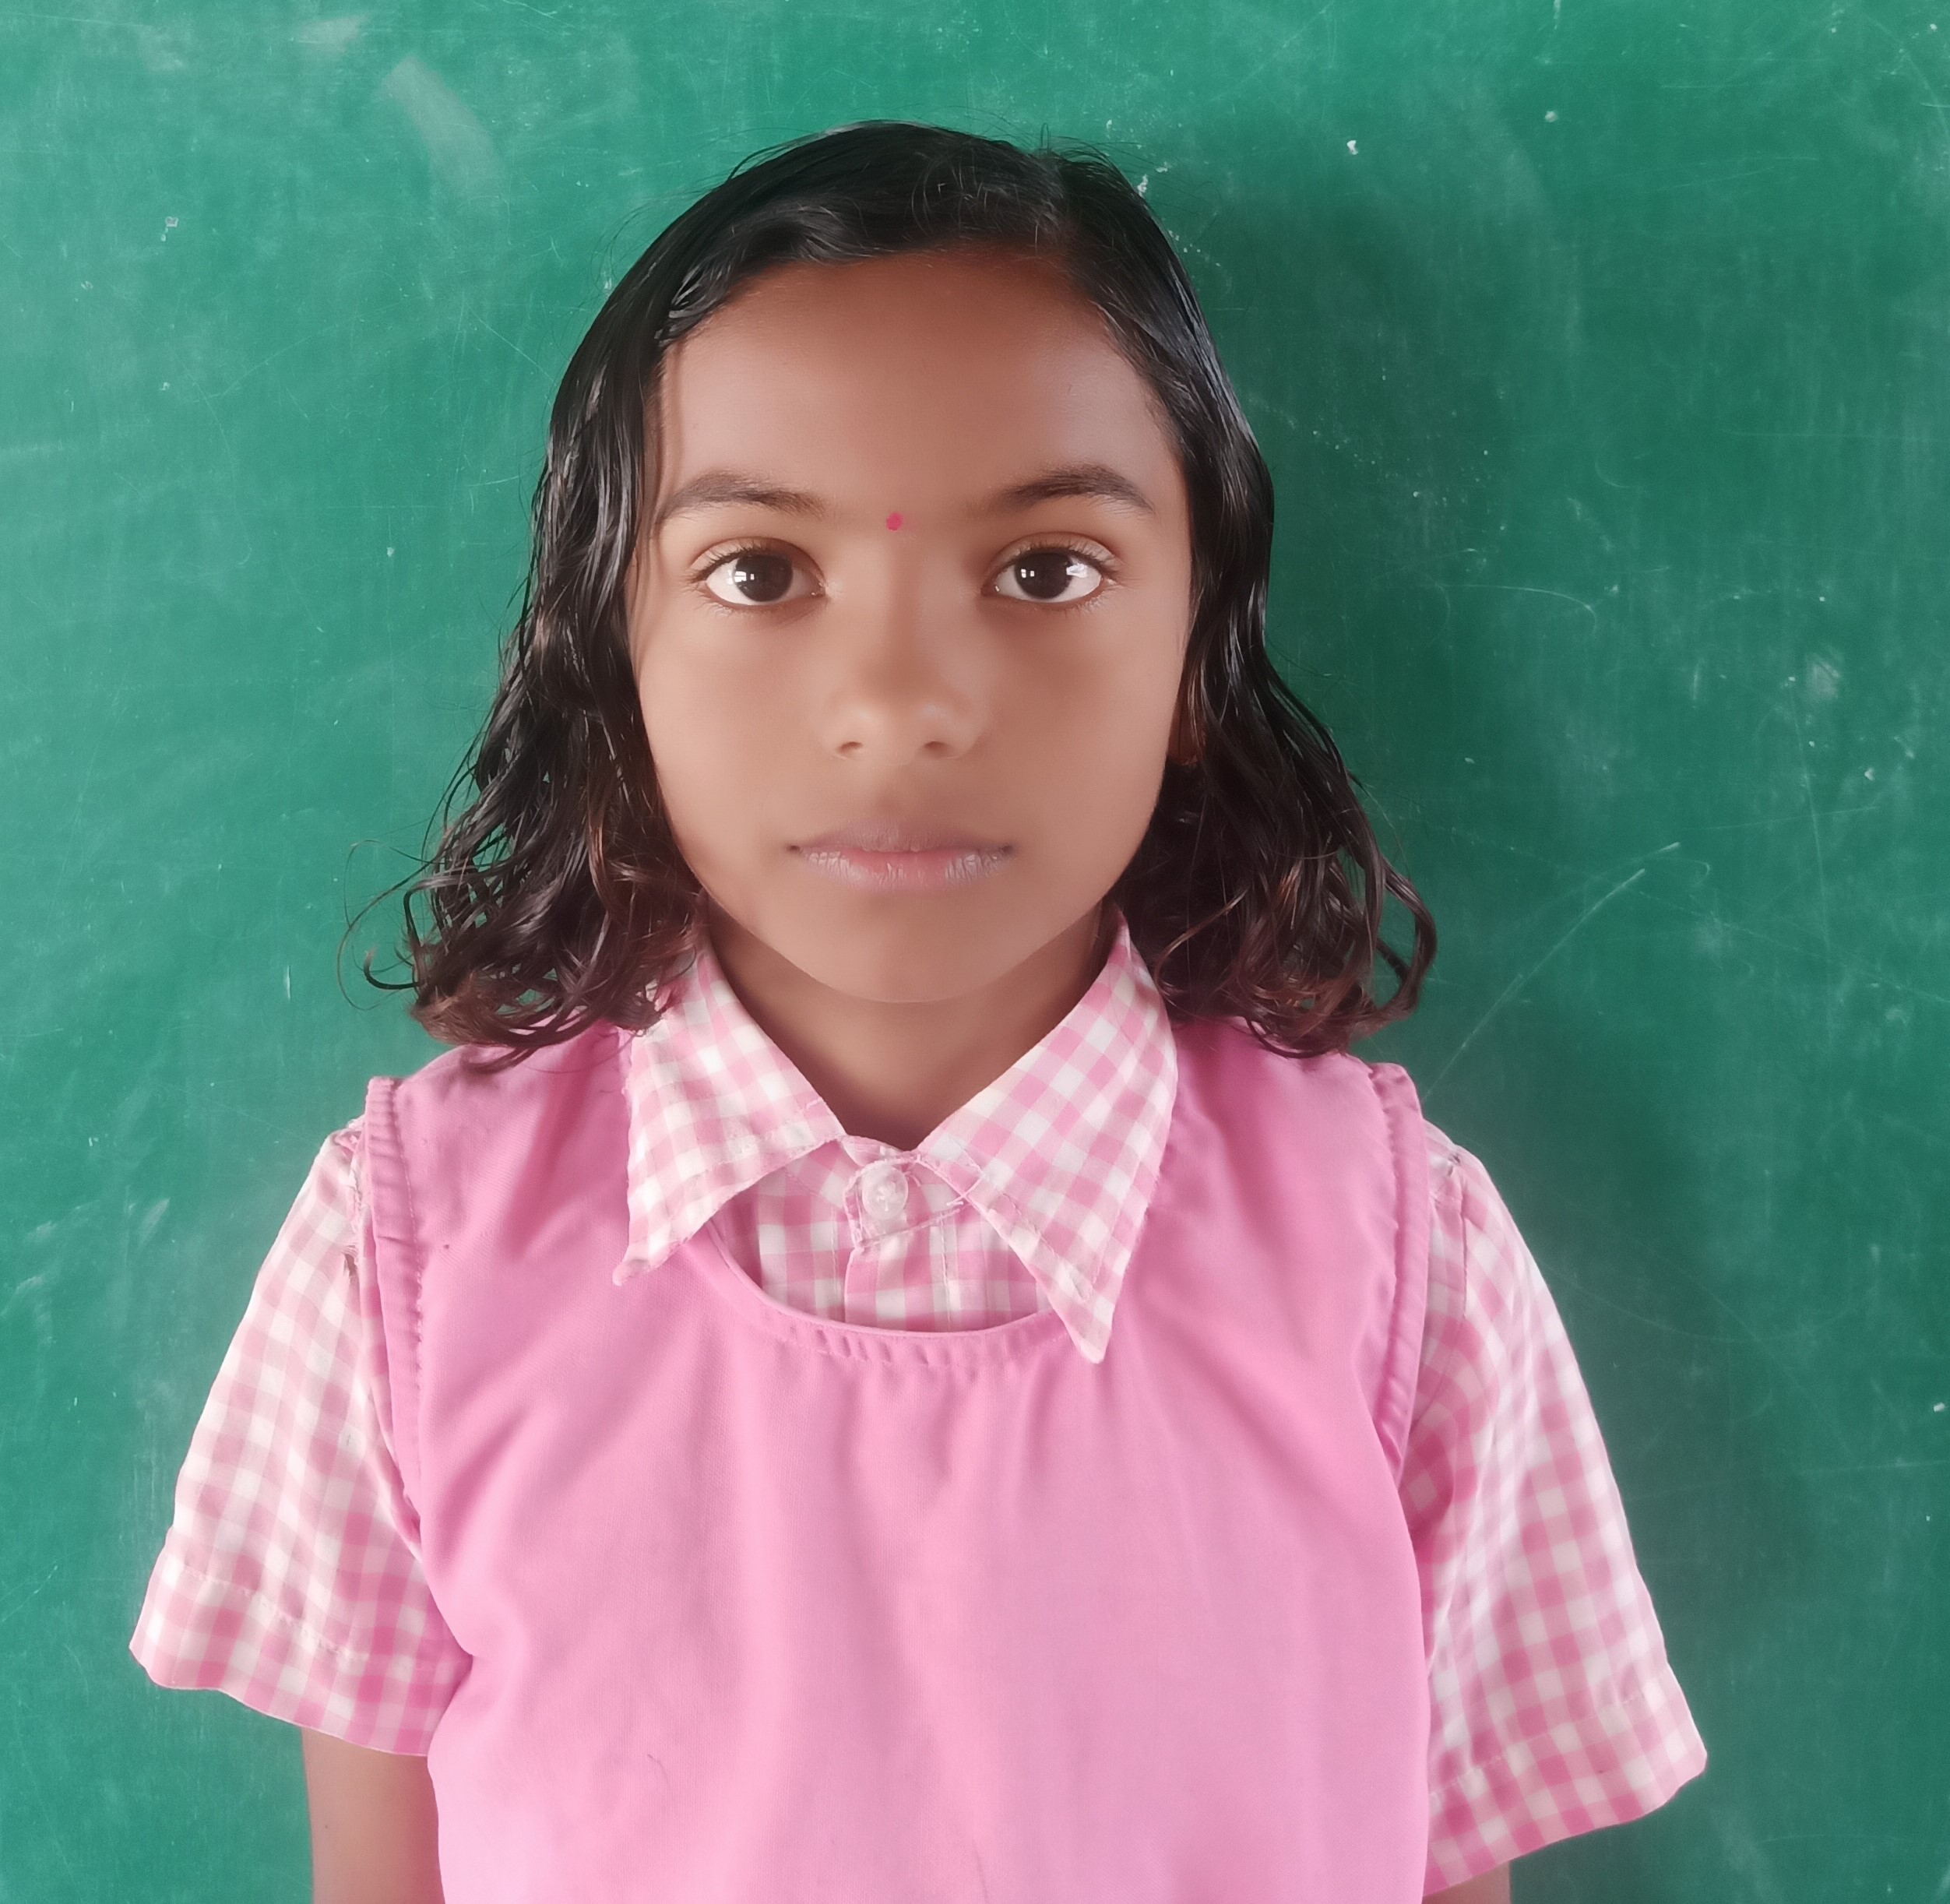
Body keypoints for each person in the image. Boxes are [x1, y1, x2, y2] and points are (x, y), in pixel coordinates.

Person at [128, 121, 1706, 1902]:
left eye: (1042, 570)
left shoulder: (1403, 1267)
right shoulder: (407, 1265)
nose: (896, 700)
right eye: (758, 572)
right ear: (613, 641)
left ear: (1198, 647)